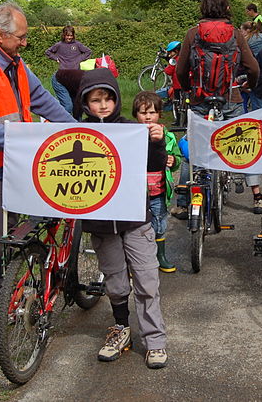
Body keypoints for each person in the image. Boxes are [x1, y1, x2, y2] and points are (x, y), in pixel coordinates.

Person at [0, 2, 76, 323]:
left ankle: (9, 286)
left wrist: (77, 129)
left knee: (12, 231)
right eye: (20, 37)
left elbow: (44, 101)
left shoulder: (16, 64)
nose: (25, 42)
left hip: (12, 163)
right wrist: (25, 139)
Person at [72, 68, 169, 369]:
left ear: (115, 100)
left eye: (108, 99)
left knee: (147, 279)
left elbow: (153, 166)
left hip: (136, 220)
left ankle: (154, 339)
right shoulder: (77, 133)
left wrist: (156, 142)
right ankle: (120, 328)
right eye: (95, 99)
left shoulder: (131, 128)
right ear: (85, 103)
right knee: (115, 282)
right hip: (101, 223)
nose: (102, 105)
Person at [176, 0, 262, 214]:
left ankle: (181, 203)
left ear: (202, 8)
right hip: (230, 99)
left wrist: (189, 90)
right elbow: (253, 67)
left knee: (193, 145)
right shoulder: (235, 34)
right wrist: (250, 85)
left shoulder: (192, 33)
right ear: (227, 9)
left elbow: (180, 70)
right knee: (244, 143)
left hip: (199, 99)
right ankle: (257, 196)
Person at [133, 91, 183, 272]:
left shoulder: (167, 136)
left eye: (152, 112)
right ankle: (138, 259)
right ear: (135, 115)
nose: (148, 116)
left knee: (160, 225)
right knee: (137, 227)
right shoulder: (132, 136)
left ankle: (160, 255)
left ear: (160, 114)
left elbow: (177, 158)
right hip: (137, 194)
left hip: (159, 191)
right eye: (143, 112)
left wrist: (173, 160)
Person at [45, 25, 92, 114]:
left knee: (77, 107)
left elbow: (88, 52)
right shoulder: (59, 45)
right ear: (64, 35)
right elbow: (48, 52)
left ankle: (77, 125)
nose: (69, 37)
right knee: (68, 106)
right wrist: (56, 58)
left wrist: (79, 59)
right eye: (67, 35)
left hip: (75, 79)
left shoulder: (77, 45)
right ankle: (59, 122)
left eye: (71, 35)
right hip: (61, 78)